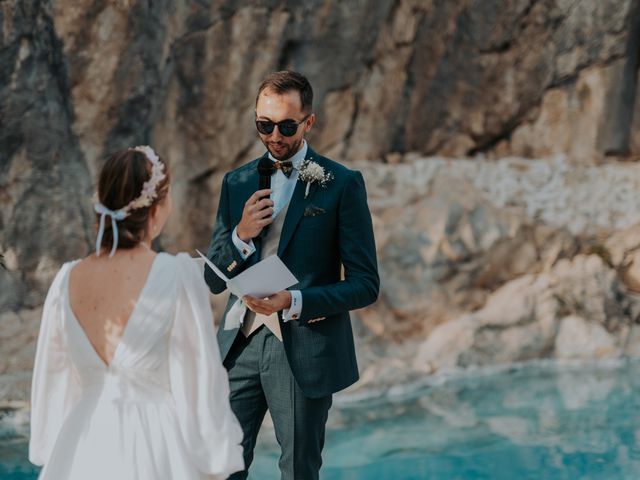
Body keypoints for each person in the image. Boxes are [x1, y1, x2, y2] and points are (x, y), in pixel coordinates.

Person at [29, 146, 244, 480]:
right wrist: (215, 459)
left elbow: (53, 378)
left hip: (81, 446)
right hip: (155, 444)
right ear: (155, 209)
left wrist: (53, 447)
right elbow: (199, 384)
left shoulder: (65, 280)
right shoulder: (177, 275)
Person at [204, 71, 379, 479]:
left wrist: (296, 301)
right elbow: (214, 280)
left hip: (304, 348)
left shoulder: (342, 184)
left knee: (298, 471)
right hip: (238, 346)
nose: (274, 136)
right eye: (264, 125)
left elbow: (366, 284)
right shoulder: (237, 182)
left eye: (286, 126)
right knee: (219, 466)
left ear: (309, 122)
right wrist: (241, 235)